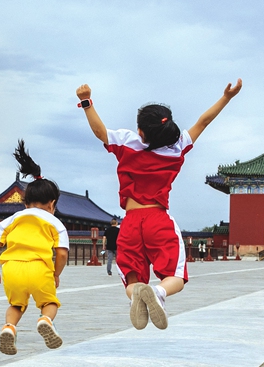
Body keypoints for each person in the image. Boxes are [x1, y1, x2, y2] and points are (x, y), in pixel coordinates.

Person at [77, 79, 242, 330]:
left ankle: (139, 294)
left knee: (131, 280)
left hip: (130, 224)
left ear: (141, 131)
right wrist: (227, 97)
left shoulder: (126, 143)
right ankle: (159, 293)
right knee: (175, 277)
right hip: (157, 220)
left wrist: (87, 101)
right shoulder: (176, 150)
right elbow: (203, 122)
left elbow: (100, 132)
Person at [0, 142, 69, 355]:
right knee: (49, 303)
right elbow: (61, 252)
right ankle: (45, 321)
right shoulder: (55, 223)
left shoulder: (13, 219)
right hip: (39, 268)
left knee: (16, 305)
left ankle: (9, 328)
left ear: (26, 203)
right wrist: (56, 273)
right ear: (52, 204)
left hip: (12, 269)